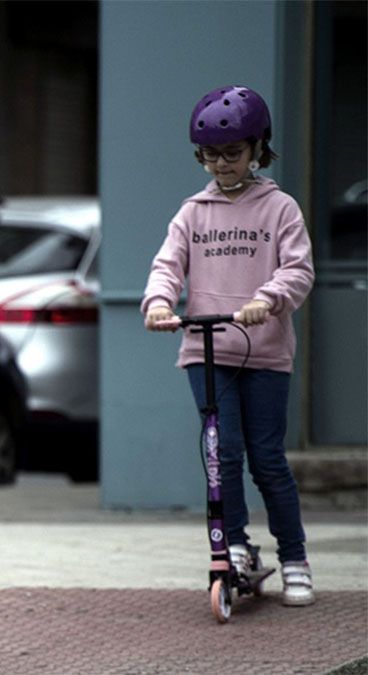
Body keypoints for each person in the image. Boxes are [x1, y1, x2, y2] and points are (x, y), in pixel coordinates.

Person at [142, 85, 315, 606]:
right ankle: (234, 546)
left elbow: (299, 269)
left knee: (267, 459)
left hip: (264, 350)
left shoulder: (279, 208)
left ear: (258, 148)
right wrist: (158, 302)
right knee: (223, 454)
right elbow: (167, 264)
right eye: (211, 156)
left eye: (232, 153)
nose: (221, 165)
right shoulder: (193, 213)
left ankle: (294, 557)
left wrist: (270, 297)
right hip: (206, 348)